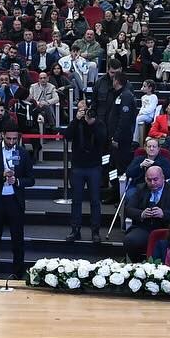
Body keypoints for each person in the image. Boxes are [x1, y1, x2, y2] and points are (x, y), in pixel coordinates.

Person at [0, 126, 35, 279]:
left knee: (17, 241)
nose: (11, 141)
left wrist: (17, 181)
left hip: (14, 201)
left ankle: (18, 275)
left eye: (14, 139)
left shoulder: (23, 153)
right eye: (9, 138)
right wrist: (2, 175)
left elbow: (31, 179)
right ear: (3, 135)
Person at [124, 165, 170, 263]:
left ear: (163, 178)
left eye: (155, 179)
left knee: (164, 245)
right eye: (149, 180)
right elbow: (128, 209)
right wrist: (142, 213)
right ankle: (138, 265)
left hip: (167, 228)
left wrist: (163, 213)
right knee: (130, 240)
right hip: (144, 227)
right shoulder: (141, 188)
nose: (152, 183)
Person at [65, 99, 107, 244]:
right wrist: (76, 121)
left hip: (94, 166)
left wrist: (93, 123)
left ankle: (95, 231)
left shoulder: (98, 122)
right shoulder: (76, 122)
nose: (84, 113)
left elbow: (103, 139)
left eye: (85, 110)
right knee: (76, 200)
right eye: (81, 110)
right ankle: (75, 230)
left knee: (95, 201)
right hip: (77, 166)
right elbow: (67, 136)